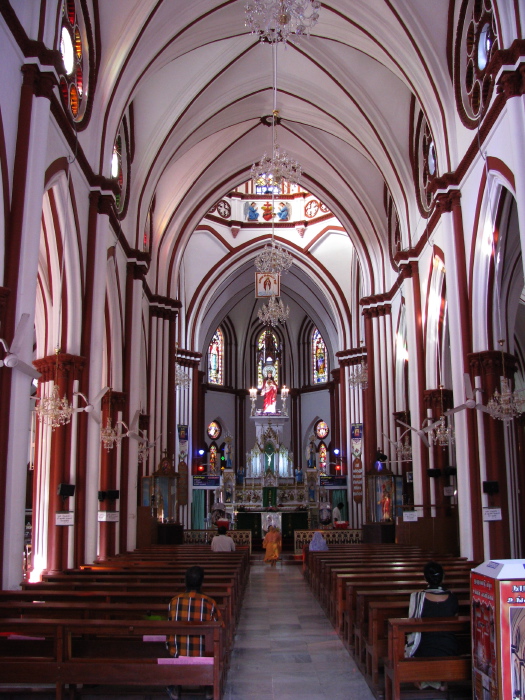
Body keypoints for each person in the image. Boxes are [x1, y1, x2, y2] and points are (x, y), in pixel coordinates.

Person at [166, 566, 223, 700]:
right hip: (204, 653)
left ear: (185, 581)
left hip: (178, 652)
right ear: (202, 582)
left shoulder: (174, 601)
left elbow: (169, 626)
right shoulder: (210, 602)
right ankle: (209, 685)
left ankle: (175, 684)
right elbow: (220, 626)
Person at [405, 561, 459, 691]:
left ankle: (423, 680)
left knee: (412, 642)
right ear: (443, 577)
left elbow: (411, 623)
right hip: (448, 648)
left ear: (425, 578)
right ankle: (441, 681)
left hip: (422, 648)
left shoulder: (416, 597)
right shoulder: (452, 598)